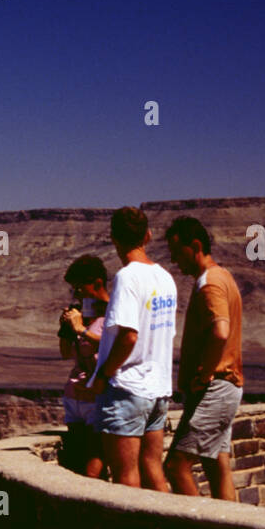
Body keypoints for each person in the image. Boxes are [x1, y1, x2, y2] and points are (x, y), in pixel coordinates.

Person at [79, 207, 178, 491]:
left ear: (114, 239)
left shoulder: (127, 277)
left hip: (127, 388)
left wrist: (102, 376)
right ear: (147, 236)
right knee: (154, 472)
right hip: (158, 389)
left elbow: (129, 337)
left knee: (125, 479)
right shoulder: (165, 278)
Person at [162, 216, 243, 500]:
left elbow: (220, 332)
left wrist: (206, 373)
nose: (174, 261)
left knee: (175, 467)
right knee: (216, 464)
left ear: (195, 245)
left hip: (216, 386)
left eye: (177, 252)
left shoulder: (209, 283)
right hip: (227, 387)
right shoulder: (224, 277)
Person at [58, 255, 109, 477]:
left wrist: (81, 330)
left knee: (95, 460)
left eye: (80, 288)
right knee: (77, 459)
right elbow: (65, 353)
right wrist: (66, 330)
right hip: (75, 396)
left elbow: (115, 345)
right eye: (74, 290)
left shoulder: (114, 313)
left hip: (96, 397)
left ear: (97, 283)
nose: (77, 294)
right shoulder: (83, 316)